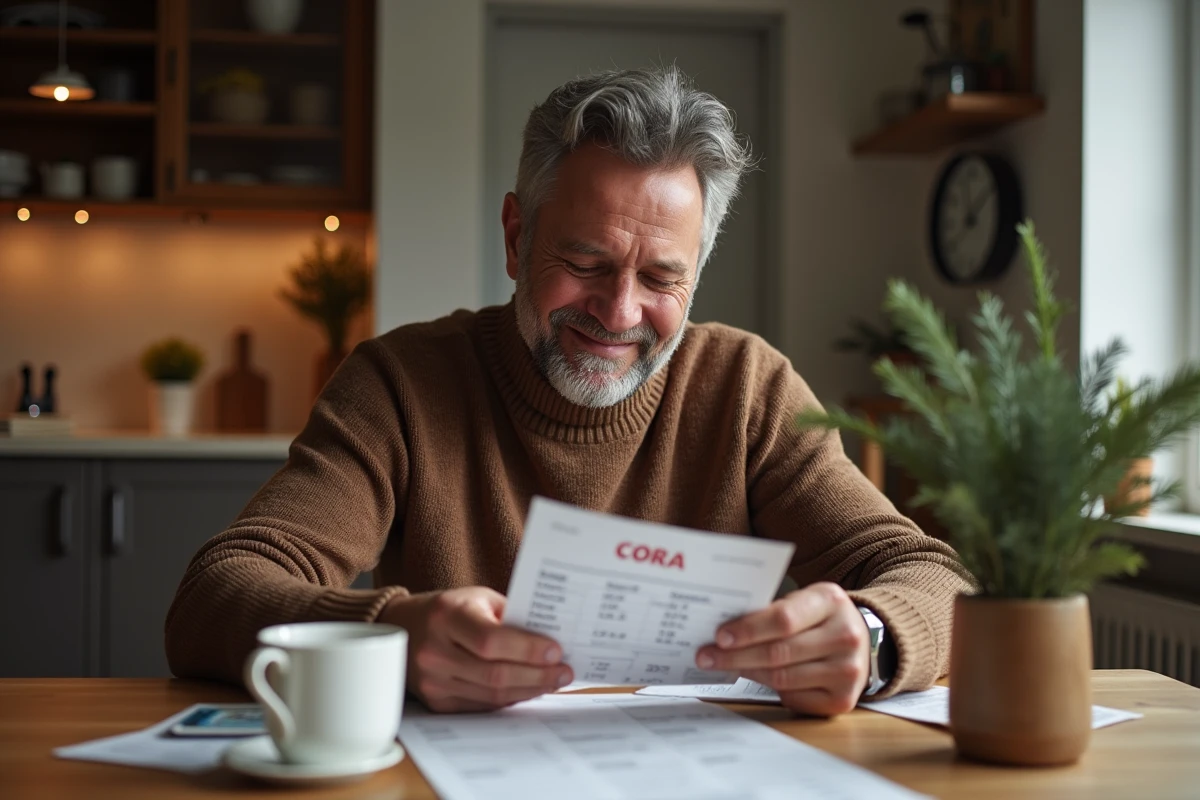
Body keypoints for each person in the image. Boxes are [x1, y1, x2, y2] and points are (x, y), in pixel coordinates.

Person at [166, 66, 972, 716]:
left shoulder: (747, 388)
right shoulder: (401, 384)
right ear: (518, 238)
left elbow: (932, 575)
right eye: (585, 264)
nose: (619, 313)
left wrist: (869, 637)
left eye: (662, 277)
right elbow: (215, 595)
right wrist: (387, 637)